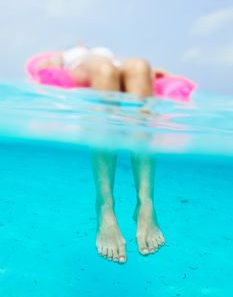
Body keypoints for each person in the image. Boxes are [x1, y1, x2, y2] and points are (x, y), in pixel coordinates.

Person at [37, 45, 165, 263]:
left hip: (113, 65)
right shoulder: (72, 54)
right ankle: (105, 206)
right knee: (105, 69)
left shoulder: (108, 55)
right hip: (92, 68)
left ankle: (146, 203)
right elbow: (46, 67)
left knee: (140, 65)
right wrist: (55, 64)